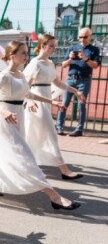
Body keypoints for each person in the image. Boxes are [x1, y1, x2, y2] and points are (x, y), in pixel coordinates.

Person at [0, 40, 80, 211]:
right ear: (12, 55)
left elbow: (28, 94)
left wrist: (51, 102)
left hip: (19, 118)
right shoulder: (4, 75)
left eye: (27, 53)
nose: (26, 56)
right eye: (23, 53)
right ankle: (54, 196)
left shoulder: (20, 75)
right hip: (5, 121)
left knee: (11, 157)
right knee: (24, 158)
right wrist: (2, 111)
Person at [24, 34, 86, 180]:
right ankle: (64, 169)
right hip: (36, 101)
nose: (53, 49)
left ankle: (23, 163)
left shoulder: (50, 63)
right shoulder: (35, 63)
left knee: (32, 134)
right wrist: (30, 100)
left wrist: (75, 91)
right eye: (51, 45)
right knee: (50, 134)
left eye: (54, 46)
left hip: (45, 100)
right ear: (42, 45)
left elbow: (58, 84)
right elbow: (25, 87)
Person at [55, 27, 101, 137]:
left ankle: (79, 129)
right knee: (64, 102)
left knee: (82, 104)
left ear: (90, 36)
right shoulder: (72, 47)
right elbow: (63, 64)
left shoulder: (94, 50)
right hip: (71, 79)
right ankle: (59, 126)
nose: (82, 39)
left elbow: (95, 66)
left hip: (84, 80)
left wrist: (85, 59)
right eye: (80, 37)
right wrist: (70, 59)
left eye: (85, 37)